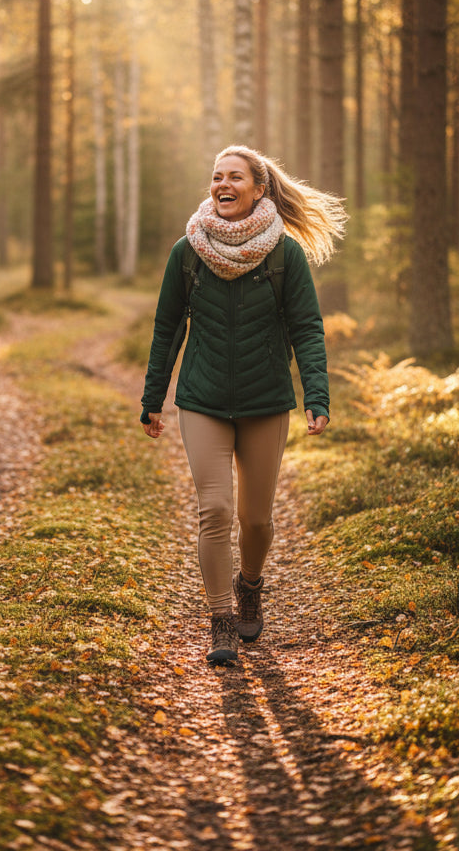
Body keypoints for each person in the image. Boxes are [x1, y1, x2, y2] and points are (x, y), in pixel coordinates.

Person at [140, 144, 346, 664]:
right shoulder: (187, 252)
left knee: (255, 520)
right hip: (203, 400)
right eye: (216, 176)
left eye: (235, 177)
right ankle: (221, 620)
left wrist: (316, 394)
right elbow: (168, 329)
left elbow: (307, 328)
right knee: (215, 510)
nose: (223, 184)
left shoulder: (284, 253)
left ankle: (249, 583)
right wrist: (153, 398)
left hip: (265, 401)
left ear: (258, 189)